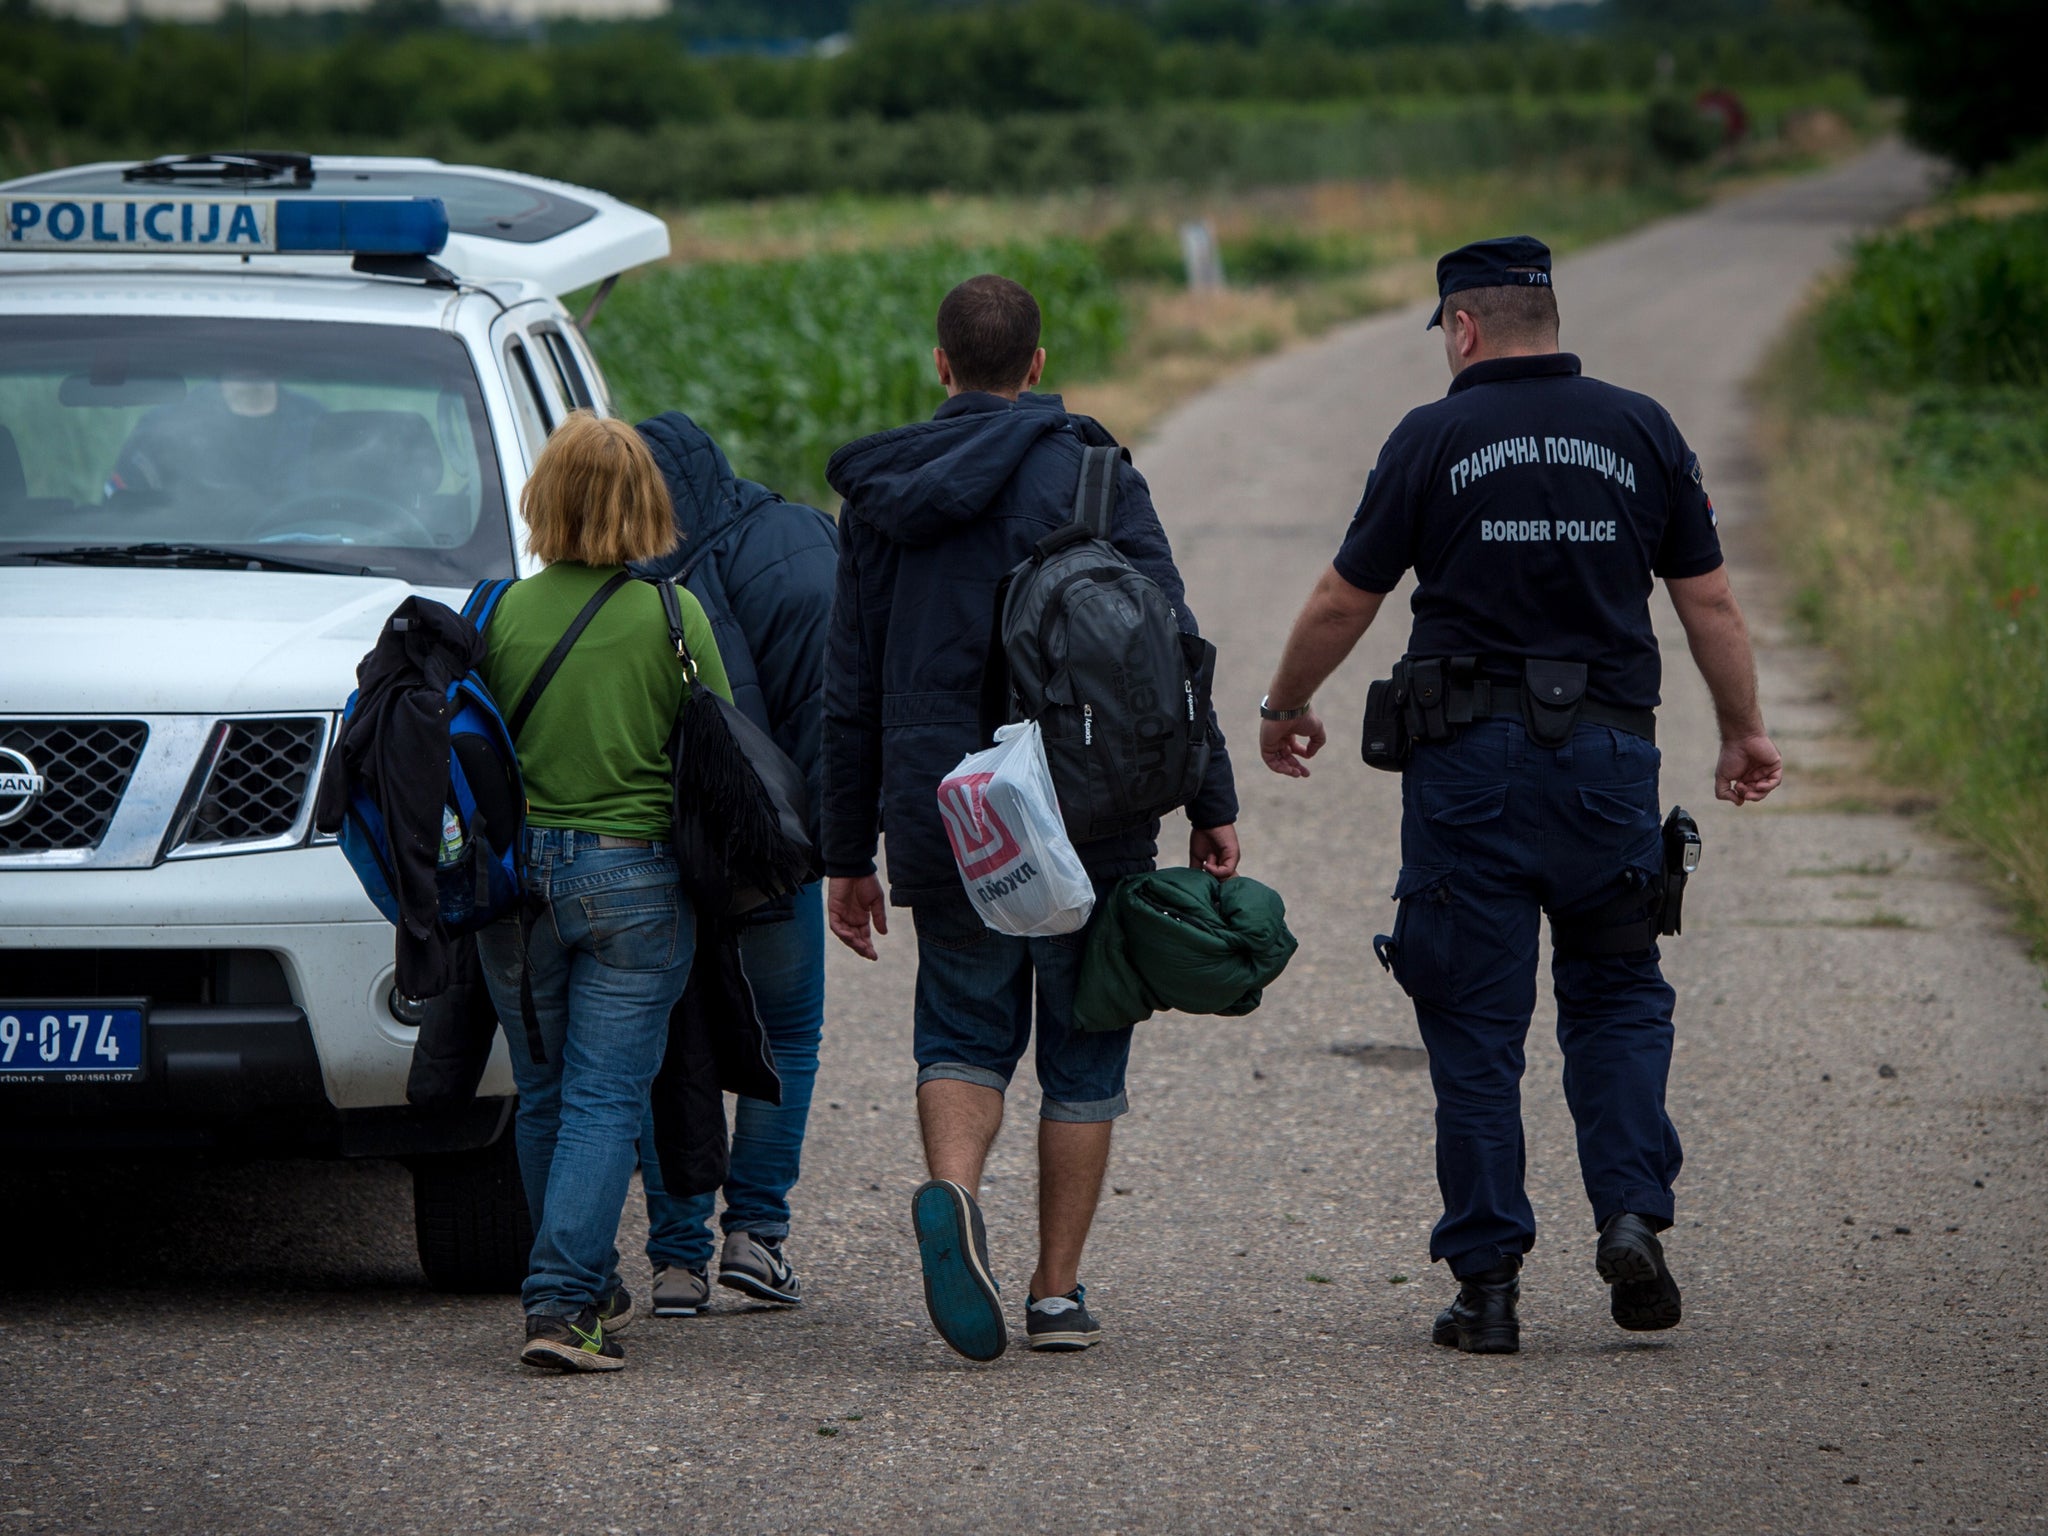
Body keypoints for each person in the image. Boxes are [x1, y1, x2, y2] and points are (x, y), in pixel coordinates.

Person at [1257, 236, 1782, 1355]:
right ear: (1544, 317)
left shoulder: (1430, 436)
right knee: (1616, 993)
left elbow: (1345, 599)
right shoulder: (1641, 428)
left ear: (1461, 328)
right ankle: (1631, 1213)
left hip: (1468, 773)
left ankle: (1486, 1288)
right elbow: (1711, 604)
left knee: (1473, 1025)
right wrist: (1741, 729)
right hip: (1605, 768)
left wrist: (1282, 702)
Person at [822, 274, 1241, 1362]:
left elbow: (849, 684)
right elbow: (1171, 654)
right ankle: (1055, 1292)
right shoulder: (1095, 474)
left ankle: (955, 1195)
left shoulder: (882, 496)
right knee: (1083, 1053)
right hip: (1090, 806)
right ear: (1039, 368)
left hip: (949, 811)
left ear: (942, 366)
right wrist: (1211, 800)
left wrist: (842, 851)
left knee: (961, 1033)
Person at [472, 411, 732, 1373]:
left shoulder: (495, 613)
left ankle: (574, 1274)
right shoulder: (673, 617)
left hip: (515, 890)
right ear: (644, 507)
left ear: (544, 501)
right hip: (633, 882)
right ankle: (562, 1302)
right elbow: (723, 765)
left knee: (541, 1092)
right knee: (605, 1098)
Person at [629, 411, 838, 1317]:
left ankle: (676, 1262)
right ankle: (757, 1235)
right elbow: (832, 707)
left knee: (658, 1047)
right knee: (785, 1034)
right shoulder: (792, 543)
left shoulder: (604, 565)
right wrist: (830, 845)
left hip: (646, 857)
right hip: (768, 854)